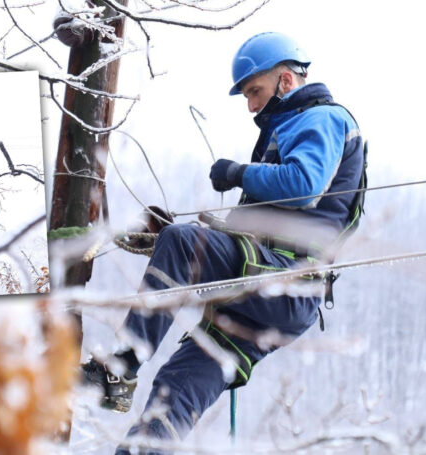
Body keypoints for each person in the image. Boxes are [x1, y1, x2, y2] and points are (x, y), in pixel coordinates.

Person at [83, 32, 366, 452]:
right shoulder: (292, 128)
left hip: (284, 279)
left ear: (286, 81)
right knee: (176, 386)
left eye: (255, 91)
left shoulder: (320, 119)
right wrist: (167, 243)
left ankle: (121, 367)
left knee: (183, 243)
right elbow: (256, 230)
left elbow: (305, 186)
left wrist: (236, 173)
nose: (251, 105)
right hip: (274, 298)